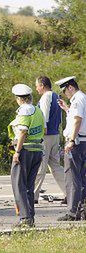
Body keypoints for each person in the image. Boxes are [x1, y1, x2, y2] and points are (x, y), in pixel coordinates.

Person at [8, 84, 44, 227]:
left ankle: (25, 218)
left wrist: (17, 151)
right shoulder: (38, 110)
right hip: (37, 150)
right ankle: (30, 216)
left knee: (19, 184)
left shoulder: (24, 111)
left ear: (18, 99)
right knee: (29, 185)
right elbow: (44, 129)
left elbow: (23, 131)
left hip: (25, 151)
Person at [55, 76, 86, 221]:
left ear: (70, 87)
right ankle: (82, 210)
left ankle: (73, 213)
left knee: (72, 178)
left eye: (65, 91)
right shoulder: (81, 98)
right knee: (81, 178)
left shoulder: (78, 99)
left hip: (77, 142)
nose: (65, 94)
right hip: (82, 141)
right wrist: (66, 109)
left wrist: (71, 140)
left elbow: (78, 120)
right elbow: (76, 117)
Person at [34, 76, 66, 203]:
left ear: (42, 85)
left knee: (40, 167)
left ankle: (33, 196)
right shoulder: (56, 96)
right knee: (56, 166)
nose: (36, 89)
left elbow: (44, 116)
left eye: (37, 86)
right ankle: (70, 192)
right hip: (55, 135)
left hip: (46, 136)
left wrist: (41, 133)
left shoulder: (46, 96)